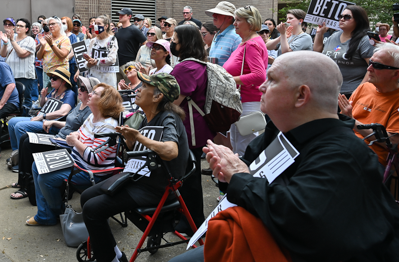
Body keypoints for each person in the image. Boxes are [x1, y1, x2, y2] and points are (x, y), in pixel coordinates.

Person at [170, 51, 399, 262]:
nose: (261, 86)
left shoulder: (344, 153)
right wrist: (226, 173)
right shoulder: (280, 131)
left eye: (272, 80)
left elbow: (300, 215)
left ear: (301, 95)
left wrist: (239, 176)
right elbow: (252, 170)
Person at [82, 73, 191, 262]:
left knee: (92, 209)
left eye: (145, 87)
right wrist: (131, 140)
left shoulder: (168, 118)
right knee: (86, 197)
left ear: (158, 97)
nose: (138, 89)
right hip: (137, 176)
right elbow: (142, 148)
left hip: (155, 186)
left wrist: (138, 137)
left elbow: (171, 151)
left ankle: (111, 258)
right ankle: (110, 251)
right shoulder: (146, 116)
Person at [27, 83, 123, 226]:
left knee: (46, 178)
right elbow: (80, 133)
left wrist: (75, 141)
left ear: (105, 101)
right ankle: (46, 214)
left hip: (90, 172)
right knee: (37, 165)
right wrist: (76, 136)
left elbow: (95, 159)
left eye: (95, 93)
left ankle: (55, 212)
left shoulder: (108, 126)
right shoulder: (92, 117)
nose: (90, 94)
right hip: (76, 161)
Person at [9, 76, 98, 201]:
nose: (79, 89)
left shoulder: (89, 110)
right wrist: (54, 123)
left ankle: (27, 188)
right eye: (79, 86)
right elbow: (67, 124)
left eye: (83, 88)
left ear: (90, 93)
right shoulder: (80, 105)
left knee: (28, 143)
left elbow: (82, 133)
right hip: (58, 137)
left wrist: (64, 138)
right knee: (25, 138)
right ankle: (23, 181)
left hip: (65, 143)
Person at [170, 24, 212, 233]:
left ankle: (192, 220)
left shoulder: (184, 67)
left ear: (184, 43)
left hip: (189, 129)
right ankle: (192, 218)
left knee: (188, 178)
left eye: (175, 39)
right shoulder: (198, 63)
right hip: (196, 126)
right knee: (190, 177)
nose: (172, 43)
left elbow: (174, 101)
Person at [339, 43, 399, 167]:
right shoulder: (365, 87)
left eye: (377, 66)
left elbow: (393, 143)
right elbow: (342, 121)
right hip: (343, 146)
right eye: (370, 62)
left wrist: (352, 121)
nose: (369, 68)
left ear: (396, 74)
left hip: (368, 159)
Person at [7, 66, 77, 167]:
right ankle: (16, 155)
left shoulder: (69, 94)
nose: (51, 80)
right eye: (51, 77)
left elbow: (63, 112)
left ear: (64, 81)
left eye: (54, 78)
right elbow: (43, 106)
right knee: (12, 122)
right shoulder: (54, 91)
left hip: (49, 123)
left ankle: (22, 162)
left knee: (19, 126)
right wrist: (43, 97)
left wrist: (43, 117)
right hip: (41, 118)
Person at [223, 5, 268, 157]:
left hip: (248, 102)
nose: (234, 23)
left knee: (244, 148)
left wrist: (229, 79)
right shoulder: (247, 42)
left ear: (250, 22)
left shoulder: (251, 44)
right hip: (243, 102)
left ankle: (245, 178)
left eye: (238, 20)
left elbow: (259, 75)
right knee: (239, 144)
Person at [313, 5, 375, 97]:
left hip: (351, 93)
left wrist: (360, 89)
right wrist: (319, 33)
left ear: (358, 20)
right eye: (340, 16)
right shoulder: (334, 35)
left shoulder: (365, 40)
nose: (341, 19)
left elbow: (372, 67)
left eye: (347, 17)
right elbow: (317, 51)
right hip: (330, 91)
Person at [0, 18, 36, 111]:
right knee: (13, 99)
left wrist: (12, 41)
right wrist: (6, 43)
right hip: (10, 75)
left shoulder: (29, 40)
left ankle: (25, 118)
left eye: (21, 26)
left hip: (24, 76)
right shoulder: (11, 38)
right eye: (17, 25)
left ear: (26, 29)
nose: (18, 27)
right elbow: (3, 54)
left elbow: (22, 53)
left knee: (25, 99)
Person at [84, 15, 119, 89]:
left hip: (107, 81)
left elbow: (112, 59)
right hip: (93, 80)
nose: (96, 26)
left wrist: (96, 61)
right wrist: (89, 63)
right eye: (95, 24)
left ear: (106, 26)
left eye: (99, 24)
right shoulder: (93, 41)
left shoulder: (112, 40)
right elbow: (86, 62)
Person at [37, 16, 71, 87]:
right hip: (47, 72)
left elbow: (63, 55)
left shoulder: (64, 39)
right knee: (47, 95)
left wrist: (51, 44)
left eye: (53, 24)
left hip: (59, 73)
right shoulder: (47, 38)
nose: (50, 26)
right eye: (49, 25)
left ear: (60, 25)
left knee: (59, 95)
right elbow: (39, 56)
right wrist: (42, 46)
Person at [115, 8, 146, 83]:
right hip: (117, 64)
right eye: (119, 15)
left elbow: (145, 43)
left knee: (130, 87)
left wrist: (139, 60)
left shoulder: (134, 29)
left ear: (129, 16)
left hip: (129, 64)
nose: (120, 16)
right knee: (119, 89)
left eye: (122, 15)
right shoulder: (118, 30)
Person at [205, 1, 241, 67]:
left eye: (218, 13)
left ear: (229, 17)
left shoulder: (236, 37)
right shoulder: (217, 34)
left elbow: (240, 65)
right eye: (214, 13)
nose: (213, 15)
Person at [62, 16, 80, 95]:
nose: (61, 25)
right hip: (60, 64)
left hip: (70, 64)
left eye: (63, 23)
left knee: (72, 83)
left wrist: (64, 60)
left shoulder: (73, 36)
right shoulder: (59, 36)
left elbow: (73, 51)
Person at [31, 21, 43, 102]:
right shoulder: (34, 38)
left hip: (44, 62)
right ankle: (37, 98)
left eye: (36, 28)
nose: (34, 29)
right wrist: (41, 44)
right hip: (37, 63)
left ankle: (43, 97)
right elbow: (34, 48)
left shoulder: (42, 36)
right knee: (37, 80)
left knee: (43, 82)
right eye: (33, 28)